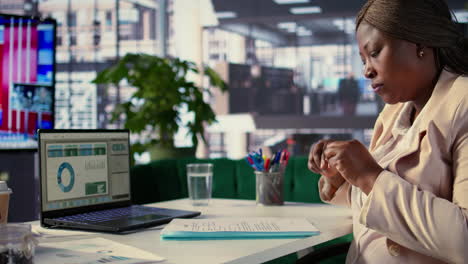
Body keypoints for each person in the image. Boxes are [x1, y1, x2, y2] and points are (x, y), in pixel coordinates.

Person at [307, 0, 468, 263]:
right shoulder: (393, 113)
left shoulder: (463, 101)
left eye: (375, 52)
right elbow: (383, 205)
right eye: (363, 59)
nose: (367, 70)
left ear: (420, 44)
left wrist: (370, 175)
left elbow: (465, 239)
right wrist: (343, 178)